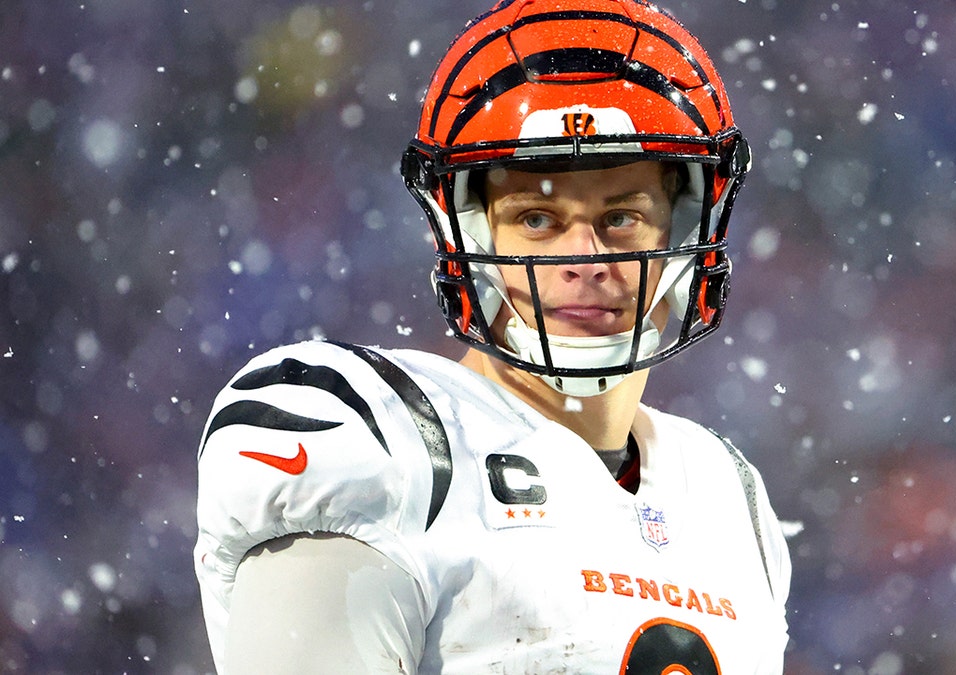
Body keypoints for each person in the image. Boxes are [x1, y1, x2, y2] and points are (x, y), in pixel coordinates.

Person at [194, 1, 791, 672]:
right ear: (468, 236)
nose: (584, 258)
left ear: (684, 231)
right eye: (537, 217)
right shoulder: (382, 443)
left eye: (621, 216)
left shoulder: (726, 495)